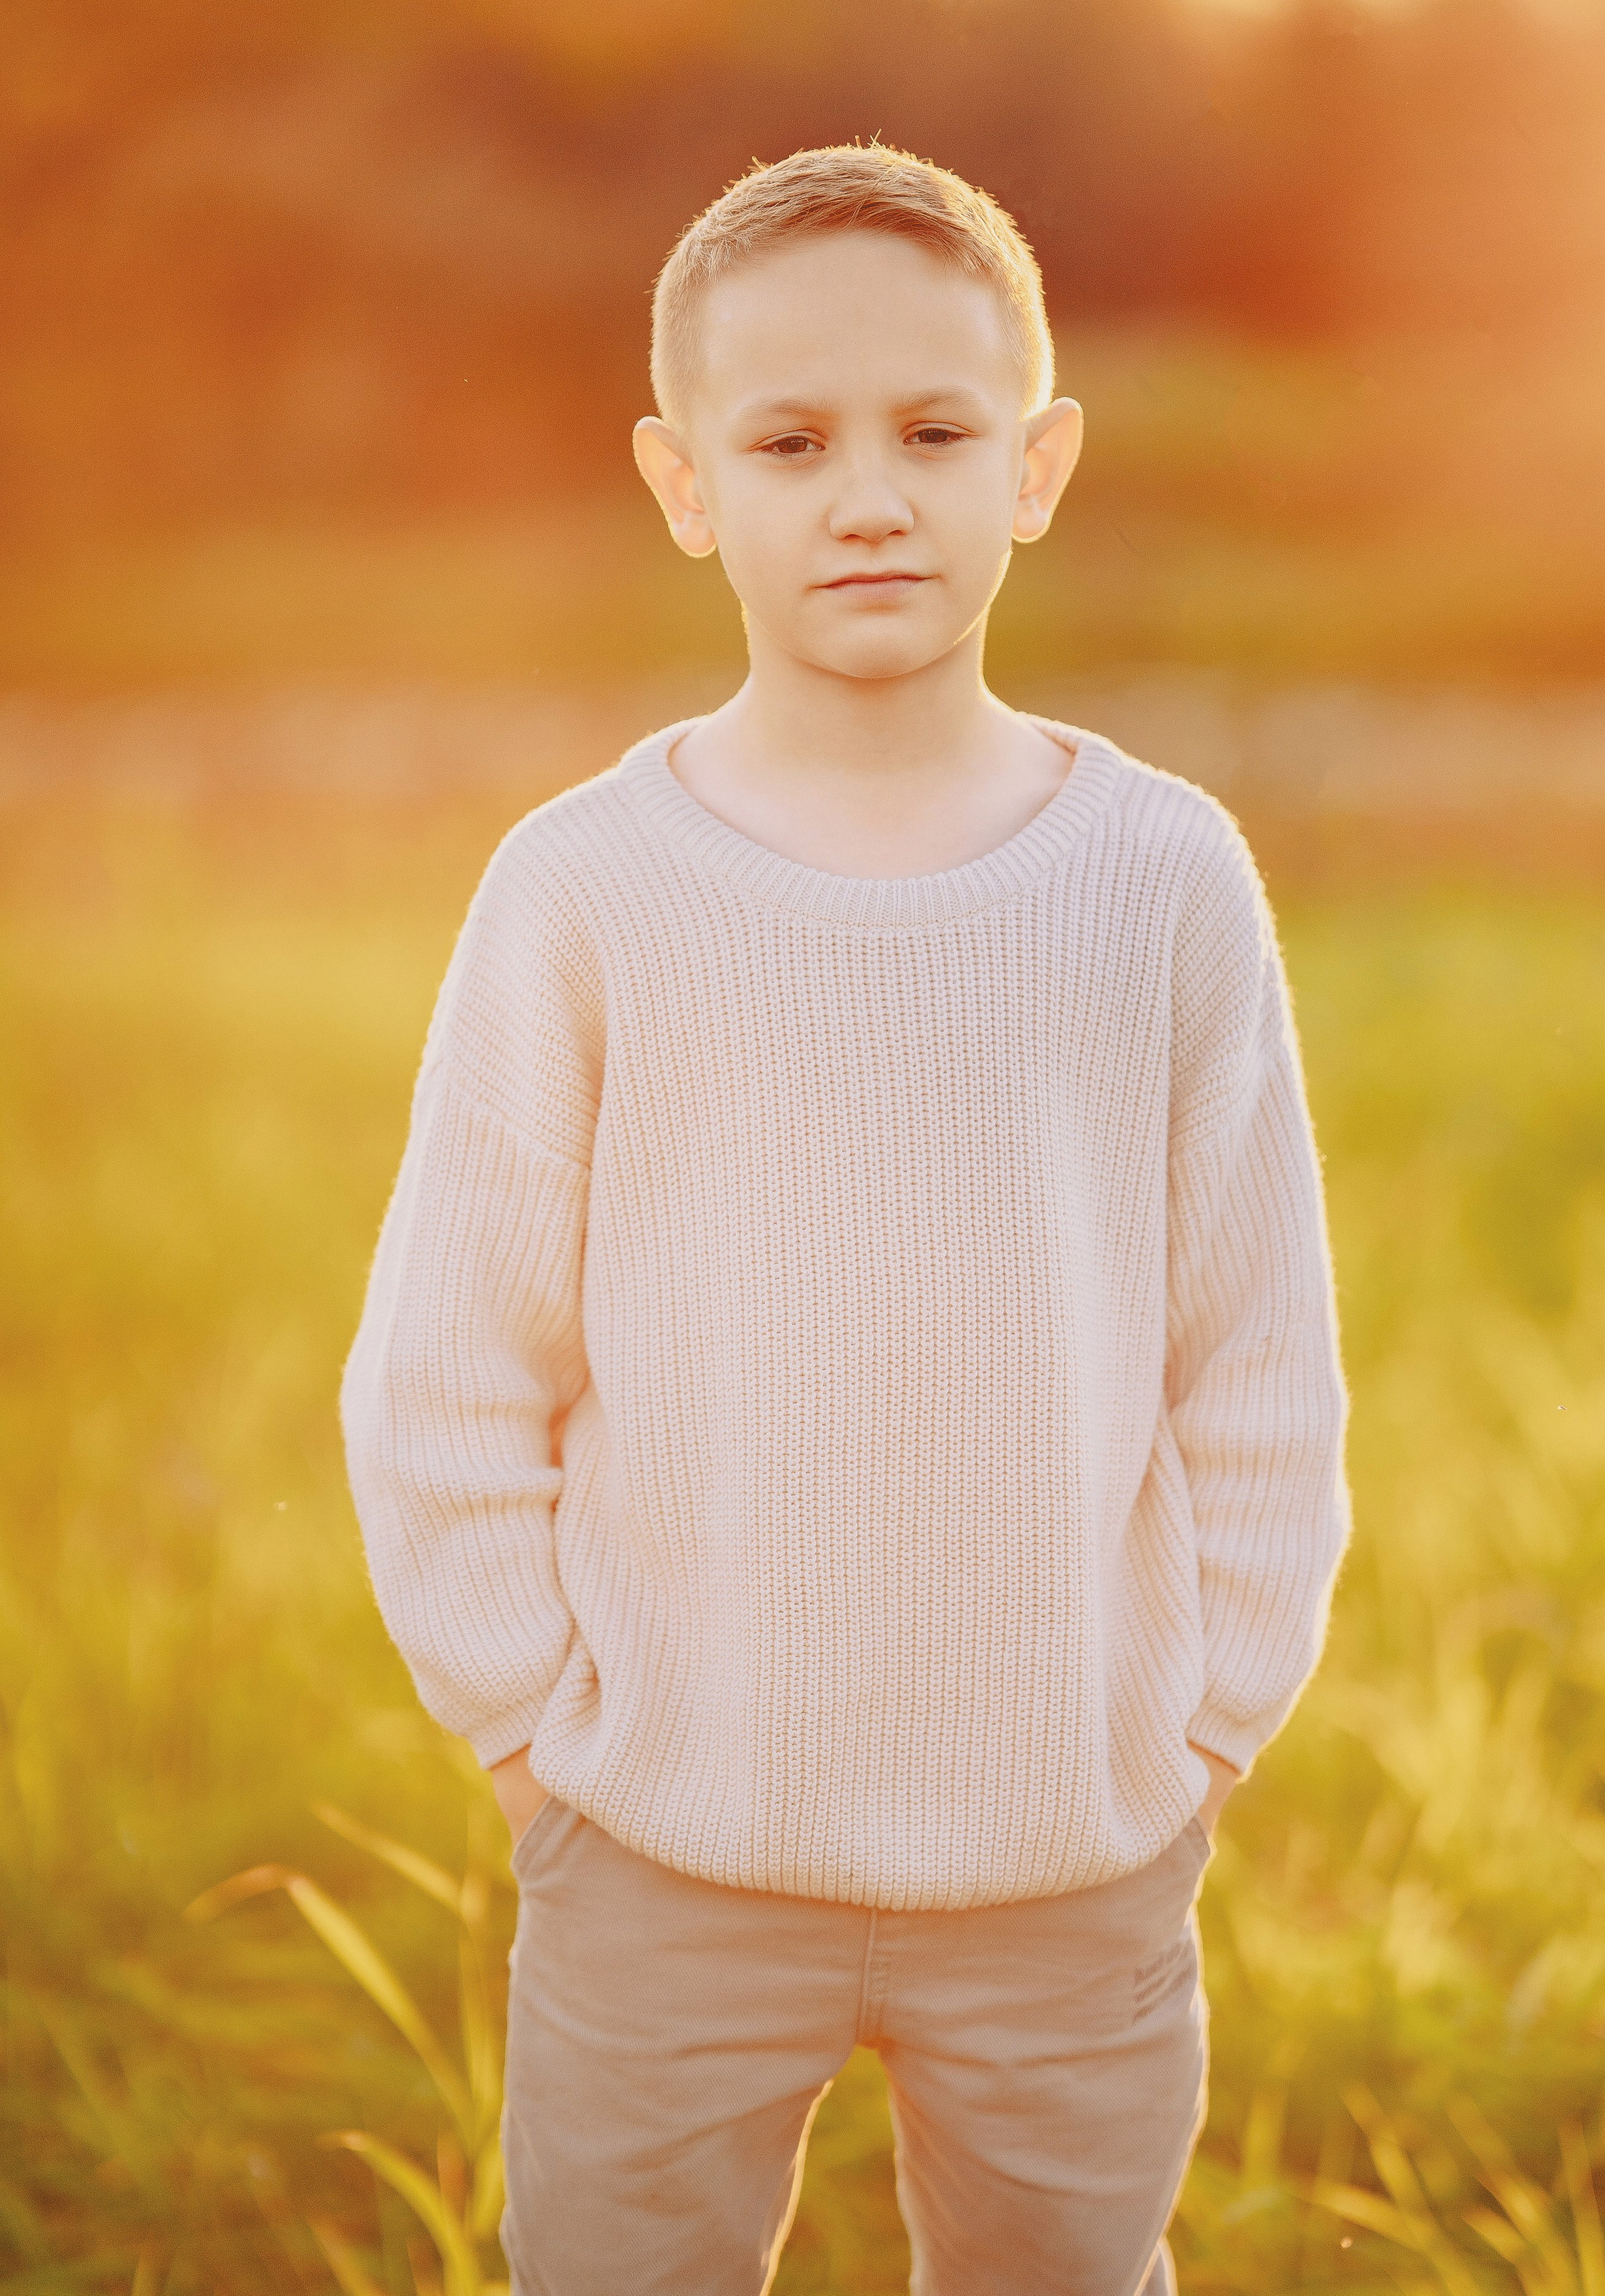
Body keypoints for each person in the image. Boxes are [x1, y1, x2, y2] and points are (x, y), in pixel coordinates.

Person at [341, 143, 1349, 2296]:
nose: (868, 497)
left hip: (1073, 1853)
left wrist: (1205, 1725)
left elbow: (1254, 1344)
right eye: (791, 443)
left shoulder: (1159, 880)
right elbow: (451, 1360)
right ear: (684, 479)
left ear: (1041, 462)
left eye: (935, 433)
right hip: (665, 1848)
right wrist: (534, 1745)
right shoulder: (585, 889)